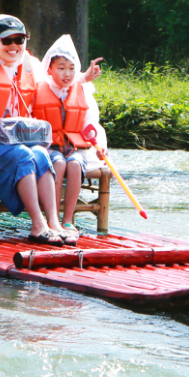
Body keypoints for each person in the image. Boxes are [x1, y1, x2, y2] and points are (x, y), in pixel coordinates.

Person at [0, 15, 101, 246]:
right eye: (6, 41)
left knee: (40, 153)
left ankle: (53, 222)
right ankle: (38, 224)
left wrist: (84, 78)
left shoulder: (30, 65)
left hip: (19, 140)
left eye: (18, 40)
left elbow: (58, 81)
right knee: (25, 155)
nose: (13, 46)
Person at [31, 34, 107, 242]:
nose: (67, 73)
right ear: (49, 69)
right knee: (58, 164)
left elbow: (92, 124)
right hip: (50, 146)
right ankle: (51, 218)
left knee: (73, 165)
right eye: (61, 68)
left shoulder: (82, 91)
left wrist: (99, 145)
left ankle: (67, 220)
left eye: (71, 68)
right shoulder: (39, 89)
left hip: (74, 148)